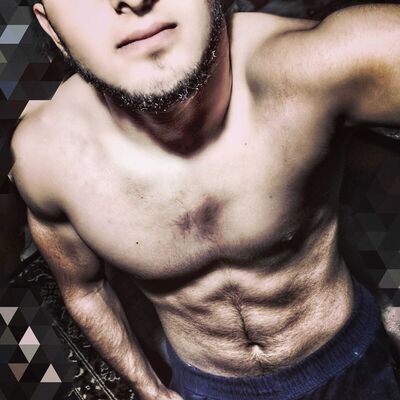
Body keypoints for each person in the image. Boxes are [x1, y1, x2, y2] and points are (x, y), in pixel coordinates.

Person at [9, 0, 400, 399]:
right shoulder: (45, 158)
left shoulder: (315, 66)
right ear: (51, 28)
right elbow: (85, 290)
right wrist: (150, 390)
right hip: (205, 385)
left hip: (345, 360)